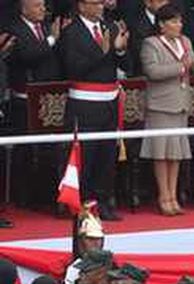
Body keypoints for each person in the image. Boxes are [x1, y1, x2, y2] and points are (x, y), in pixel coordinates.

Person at [59, 0, 131, 221]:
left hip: (110, 101)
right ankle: (82, 203)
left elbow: (127, 64)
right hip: (85, 103)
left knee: (106, 155)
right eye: (95, 2)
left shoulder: (111, 27)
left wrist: (119, 51)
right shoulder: (71, 32)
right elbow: (72, 68)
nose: (100, 7)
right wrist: (105, 51)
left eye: (102, 2)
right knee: (86, 156)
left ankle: (103, 202)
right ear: (81, 6)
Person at [140, 3, 194, 217]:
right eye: (173, 21)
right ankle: (164, 196)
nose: (178, 25)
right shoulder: (151, 43)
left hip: (180, 103)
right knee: (161, 153)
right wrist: (185, 66)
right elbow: (152, 71)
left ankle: (173, 195)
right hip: (160, 105)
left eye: (180, 21)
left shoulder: (185, 41)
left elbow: (193, 69)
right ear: (161, 24)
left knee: (176, 153)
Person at [7, 0, 62, 215]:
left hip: (48, 96)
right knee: (26, 149)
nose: (42, 9)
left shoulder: (48, 27)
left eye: (43, 5)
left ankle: (45, 194)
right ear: (24, 9)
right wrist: (51, 40)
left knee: (49, 148)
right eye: (37, 6)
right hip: (24, 98)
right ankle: (24, 196)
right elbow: (27, 55)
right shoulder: (14, 29)